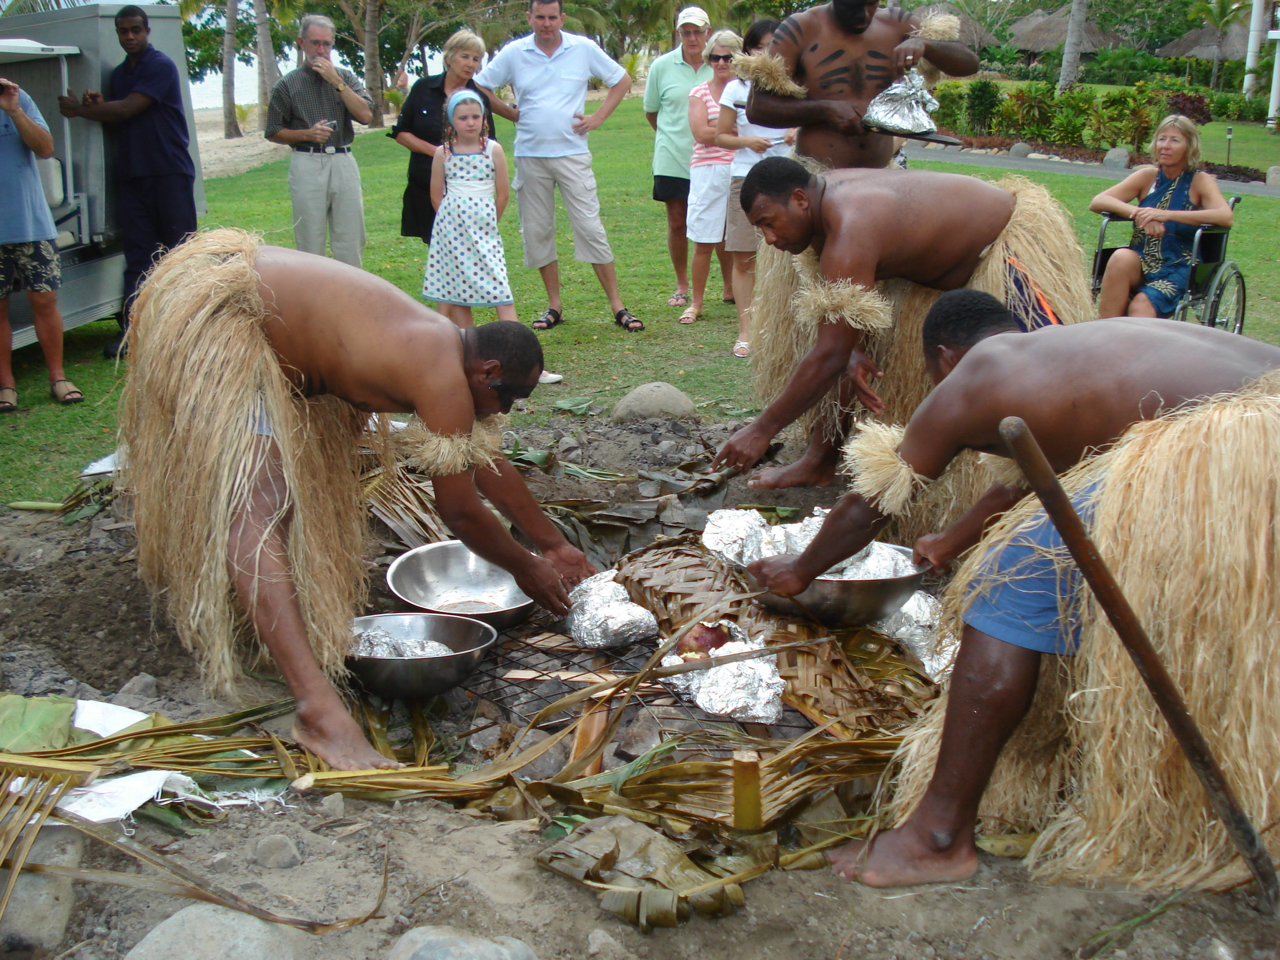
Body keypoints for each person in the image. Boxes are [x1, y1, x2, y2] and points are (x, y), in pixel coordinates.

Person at [745, 290, 1280, 888]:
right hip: (1264, 423)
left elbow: (871, 504)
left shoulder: (976, 376)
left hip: (1230, 450)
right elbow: (1039, 477)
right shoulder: (1063, 353)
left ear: (944, 359)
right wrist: (951, 538)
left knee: (1011, 584)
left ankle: (937, 838)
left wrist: (802, 570)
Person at [119, 228, 596, 772]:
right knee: (260, 507)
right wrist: (527, 569)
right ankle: (317, 711)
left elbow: (482, 460)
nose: (505, 411)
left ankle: (266, 624)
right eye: (509, 397)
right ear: (487, 372)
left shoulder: (447, 352)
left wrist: (553, 545)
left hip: (251, 301)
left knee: (269, 503)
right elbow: (459, 510)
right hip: (228, 311)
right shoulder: (440, 368)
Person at [709, 158, 1092, 494]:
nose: (770, 239)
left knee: (1047, 380)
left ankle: (1073, 478)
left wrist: (761, 430)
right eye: (760, 231)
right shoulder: (823, 199)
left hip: (1007, 249)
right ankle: (819, 461)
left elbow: (828, 354)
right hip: (941, 271)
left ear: (799, 199)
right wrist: (850, 346)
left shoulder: (850, 224)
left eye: (769, 224)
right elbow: (837, 340)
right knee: (842, 354)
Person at [475, 0, 644, 333]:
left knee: (590, 227)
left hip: (572, 154)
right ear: (530, 18)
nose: (547, 24)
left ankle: (617, 305)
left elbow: (621, 80)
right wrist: (509, 113)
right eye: (540, 17)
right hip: (530, 154)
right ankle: (554, 305)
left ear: (562, 18)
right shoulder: (515, 52)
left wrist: (598, 117)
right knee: (537, 231)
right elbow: (480, 85)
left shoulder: (582, 48)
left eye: (553, 17)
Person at [57, 5, 197, 360]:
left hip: (168, 172)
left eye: (136, 30)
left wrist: (79, 110)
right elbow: (119, 114)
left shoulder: (160, 66)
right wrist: (100, 106)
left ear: (147, 31)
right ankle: (132, 333)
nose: (129, 36)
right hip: (133, 177)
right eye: (123, 31)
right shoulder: (120, 74)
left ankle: (193, 329)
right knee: (138, 256)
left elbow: (127, 110)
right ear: (118, 34)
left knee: (181, 252)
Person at [738, 0, 978, 171]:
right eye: (852, 5)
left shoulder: (900, 24)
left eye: (871, 3)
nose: (863, 14)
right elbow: (758, 108)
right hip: (818, 177)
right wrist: (825, 110)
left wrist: (926, 44)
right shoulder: (800, 29)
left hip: (880, 173)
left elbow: (969, 64)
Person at [1090, 115, 1233, 319]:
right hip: (1143, 257)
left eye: (1175, 140)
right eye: (1162, 139)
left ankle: (1136, 348)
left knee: (1140, 307)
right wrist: (1141, 214)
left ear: (1189, 147)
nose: (1165, 146)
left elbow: (1225, 216)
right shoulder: (1147, 177)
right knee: (1121, 257)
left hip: (1179, 265)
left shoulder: (1199, 181)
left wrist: (1166, 215)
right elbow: (1099, 201)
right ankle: (1104, 338)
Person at [264, 14, 373, 268]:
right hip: (307, 161)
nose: (321, 51)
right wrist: (306, 134)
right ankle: (315, 301)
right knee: (310, 241)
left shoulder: (346, 77)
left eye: (327, 44)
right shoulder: (287, 85)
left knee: (351, 238)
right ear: (302, 43)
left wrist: (337, 82)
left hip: (344, 159)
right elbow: (272, 130)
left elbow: (366, 115)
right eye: (315, 43)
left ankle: (351, 297)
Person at [1, 77, 81, 411]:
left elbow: (45, 148)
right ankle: (5, 386)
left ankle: (58, 378)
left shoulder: (19, 97)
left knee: (45, 300)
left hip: (30, 223)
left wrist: (15, 110)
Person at [714, 19, 791, 358]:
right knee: (744, 255)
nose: (765, 53)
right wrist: (747, 141)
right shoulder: (736, 88)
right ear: (747, 51)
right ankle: (746, 331)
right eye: (758, 47)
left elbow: (817, 123)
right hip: (745, 176)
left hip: (788, 176)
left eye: (772, 46)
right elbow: (721, 135)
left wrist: (797, 133)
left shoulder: (796, 84)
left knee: (789, 257)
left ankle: (780, 328)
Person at [389, 29, 493, 249]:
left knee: (470, 250)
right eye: (465, 56)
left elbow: (488, 143)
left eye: (476, 59)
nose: (471, 63)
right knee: (437, 249)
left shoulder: (479, 98)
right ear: (448, 57)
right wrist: (438, 153)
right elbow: (401, 133)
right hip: (426, 183)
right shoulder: (422, 88)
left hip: (467, 189)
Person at [423, 91, 515, 329]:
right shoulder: (442, 152)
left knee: (498, 281)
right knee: (457, 283)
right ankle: (467, 342)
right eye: (463, 118)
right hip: (451, 227)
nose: (471, 122)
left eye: (476, 116)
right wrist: (450, 223)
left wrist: (489, 221)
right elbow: (436, 195)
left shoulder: (493, 150)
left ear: (484, 118)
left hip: (484, 225)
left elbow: (503, 194)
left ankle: (514, 339)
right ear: (452, 120)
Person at [643, 7, 712, 309]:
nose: (692, 37)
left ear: (707, 32)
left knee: (717, 222)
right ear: (678, 34)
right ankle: (682, 285)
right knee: (676, 222)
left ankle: (728, 287)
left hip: (713, 156)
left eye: (697, 31)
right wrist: (671, 136)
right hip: (672, 156)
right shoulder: (661, 66)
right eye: (686, 32)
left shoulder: (720, 64)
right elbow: (652, 111)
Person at [679, 30, 740, 327]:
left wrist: (723, 133)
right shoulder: (699, 92)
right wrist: (735, 134)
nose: (721, 62)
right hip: (708, 171)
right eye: (715, 57)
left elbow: (759, 126)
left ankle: (737, 292)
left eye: (727, 57)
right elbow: (700, 133)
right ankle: (696, 302)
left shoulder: (747, 90)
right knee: (704, 238)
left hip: (742, 169)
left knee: (740, 239)